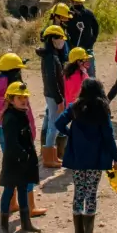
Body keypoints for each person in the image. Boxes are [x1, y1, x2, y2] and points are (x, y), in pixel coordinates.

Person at [55, 79, 117, 233]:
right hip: (95, 159)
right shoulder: (102, 110)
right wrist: (116, 158)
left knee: (79, 191)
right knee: (91, 193)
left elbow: (59, 123)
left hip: (77, 157)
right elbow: (108, 136)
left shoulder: (75, 107)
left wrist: (70, 134)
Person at [0, 53, 46, 217]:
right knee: (26, 168)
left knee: (12, 166)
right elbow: (27, 117)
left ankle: (12, 204)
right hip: (19, 132)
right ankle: (29, 207)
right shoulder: (17, 89)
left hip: (3, 130)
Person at [0, 82, 42, 233]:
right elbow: (11, 143)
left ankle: (26, 223)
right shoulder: (10, 118)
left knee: (23, 190)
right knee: (9, 191)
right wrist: (24, 155)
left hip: (24, 161)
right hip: (13, 162)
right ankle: (4, 227)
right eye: (20, 97)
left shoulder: (22, 112)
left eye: (25, 97)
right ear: (11, 100)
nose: (24, 100)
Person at [37, 25, 68, 168]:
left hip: (52, 95)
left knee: (53, 125)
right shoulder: (50, 57)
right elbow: (52, 81)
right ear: (53, 39)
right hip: (53, 96)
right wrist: (59, 99)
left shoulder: (52, 54)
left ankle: (52, 156)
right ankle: (48, 158)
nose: (62, 41)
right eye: (61, 38)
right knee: (53, 126)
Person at [67, 0, 100, 77]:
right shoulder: (68, 15)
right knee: (81, 74)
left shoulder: (87, 14)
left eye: (79, 2)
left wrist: (93, 39)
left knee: (88, 73)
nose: (78, 4)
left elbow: (96, 27)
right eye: (77, 2)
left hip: (84, 48)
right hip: (77, 49)